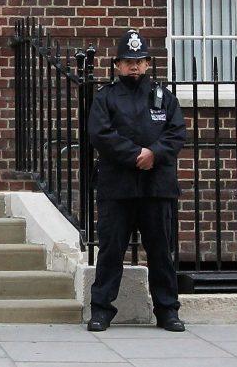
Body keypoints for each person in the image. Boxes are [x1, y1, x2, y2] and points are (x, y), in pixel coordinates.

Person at [87, 28, 187, 333]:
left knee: (160, 252)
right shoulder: (105, 98)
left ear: (147, 64)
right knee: (110, 251)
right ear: (117, 64)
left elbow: (177, 132)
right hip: (117, 188)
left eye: (140, 60)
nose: (134, 66)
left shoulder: (163, 97)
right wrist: (135, 155)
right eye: (128, 61)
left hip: (157, 187)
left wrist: (154, 154)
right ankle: (102, 310)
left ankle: (167, 310)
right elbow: (100, 134)